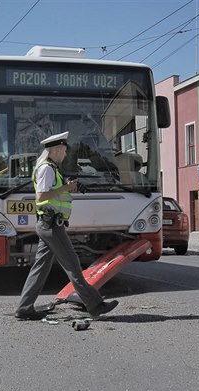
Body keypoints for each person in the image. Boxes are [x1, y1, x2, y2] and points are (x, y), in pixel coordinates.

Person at [15, 131, 119, 320]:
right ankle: (95, 305)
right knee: (72, 265)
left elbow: (53, 193)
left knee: (40, 268)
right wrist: (66, 188)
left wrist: (70, 187)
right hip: (51, 226)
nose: (65, 153)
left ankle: (24, 307)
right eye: (63, 150)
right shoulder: (47, 168)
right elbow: (42, 197)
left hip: (48, 224)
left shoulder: (51, 168)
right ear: (55, 149)